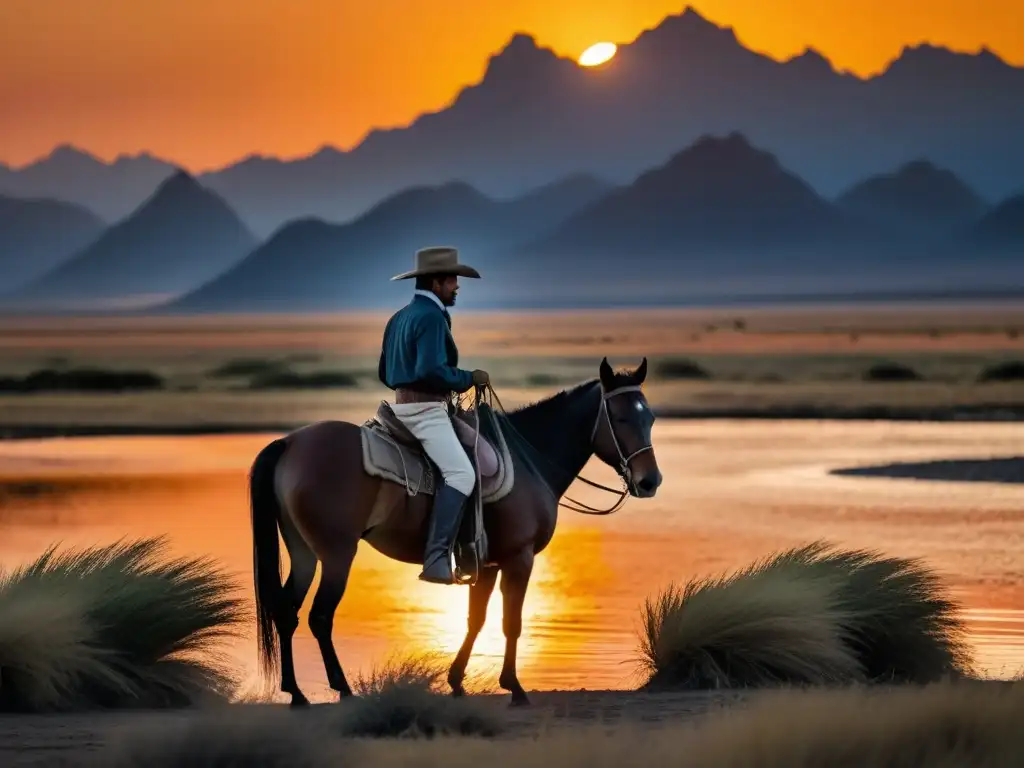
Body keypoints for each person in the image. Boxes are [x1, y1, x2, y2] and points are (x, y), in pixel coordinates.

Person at [377, 246, 490, 585]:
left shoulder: (398, 317)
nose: (457, 286)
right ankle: (437, 558)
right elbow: (432, 369)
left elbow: (385, 372)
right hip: (426, 413)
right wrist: (467, 378)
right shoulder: (430, 317)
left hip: (398, 407)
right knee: (461, 475)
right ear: (437, 281)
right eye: (453, 280)